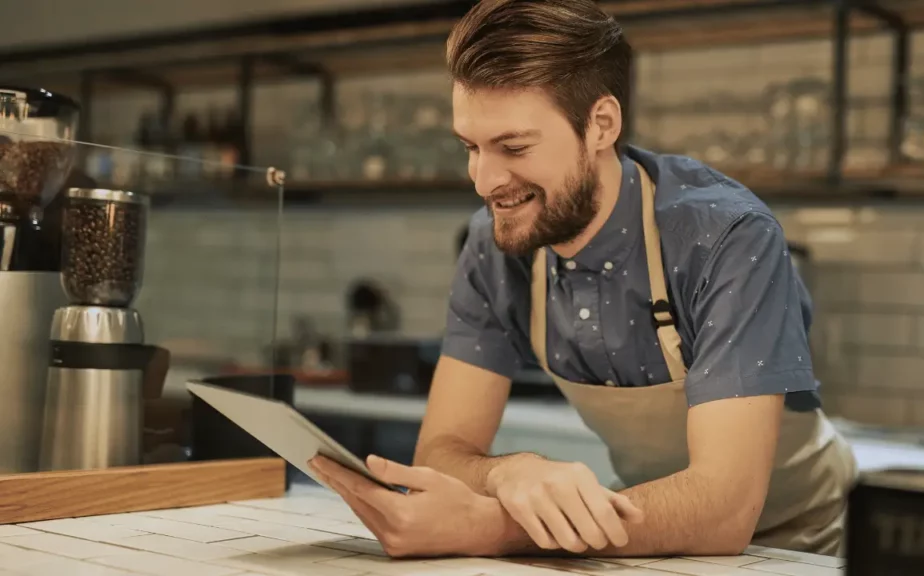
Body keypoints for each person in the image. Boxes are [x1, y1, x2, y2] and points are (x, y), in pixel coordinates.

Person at [309, 0, 858, 560]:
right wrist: (512, 473)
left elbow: (724, 508)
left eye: (514, 147)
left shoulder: (726, 237)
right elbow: (440, 454)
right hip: (644, 533)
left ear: (600, 125)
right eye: (471, 148)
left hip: (803, 545)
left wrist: (497, 528)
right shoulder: (495, 245)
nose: (484, 181)